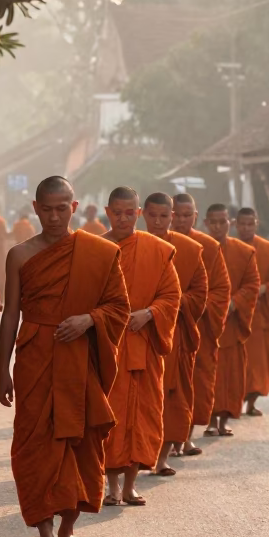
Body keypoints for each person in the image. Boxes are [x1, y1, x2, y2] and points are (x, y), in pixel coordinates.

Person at [0, 175, 129, 537]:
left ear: (73, 208)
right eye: (46, 209)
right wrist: (3, 368)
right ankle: (45, 534)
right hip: (35, 356)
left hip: (79, 359)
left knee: (80, 441)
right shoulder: (20, 255)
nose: (54, 217)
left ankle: (68, 530)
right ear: (35, 209)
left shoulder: (98, 253)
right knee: (36, 444)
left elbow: (118, 306)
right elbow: (11, 314)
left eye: (62, 209)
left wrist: (89, 320)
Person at [101, 187, 181, 505]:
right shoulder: (95, 247)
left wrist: (149, 314)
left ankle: (131, 485)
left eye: (128, 212)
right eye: (116, 212)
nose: (122, 218)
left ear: (138, 214)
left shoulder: (157, 250)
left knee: (142, 414)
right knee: (110, 415)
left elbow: (171, 295)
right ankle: (111, 487)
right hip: (107, 347)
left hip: (144, 344)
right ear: (108, 212)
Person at [143, 193, 208, 476]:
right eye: (153, 216)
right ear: (143, 215)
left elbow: (200, 293)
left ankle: (162, 458)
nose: (158, 222)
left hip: (174, 332)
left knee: (173, 395)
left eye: (164, 216)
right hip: (137, 331)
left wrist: (173, 301)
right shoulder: (128, 245)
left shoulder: (190, 250)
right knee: (138, 396)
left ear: (172, 217)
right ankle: (136, 455)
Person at [170, 193, 231, 454]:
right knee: (167, 383)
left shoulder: (208, 246)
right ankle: (166, 439)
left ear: (195, 217)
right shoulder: (158, 243)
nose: (182, 220)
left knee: (196, 380)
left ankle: (186, 436)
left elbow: (221, 289)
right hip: (165, 324)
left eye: (187, 216)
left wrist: (196, 304)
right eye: (177, 215)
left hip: (197, 325)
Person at [203, 203, 260, 437]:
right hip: (205, 321)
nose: (218, 226)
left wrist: (234, 302)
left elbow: (252, 284)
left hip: (232, 323)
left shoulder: (245, 253)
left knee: (230, 373)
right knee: (207, 373)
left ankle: (224, 419)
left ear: (230, 223)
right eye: (213, 222)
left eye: (222, 221)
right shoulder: (198, 248)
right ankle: (209, 419)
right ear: (206, 223)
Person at [237, 207, 269, 415]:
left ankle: (251, 403)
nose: (247, 228)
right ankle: (232, 402)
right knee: (235, 361)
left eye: (251, 224)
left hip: (258, 316)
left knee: (257, 362)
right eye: (243, 224)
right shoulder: (226, 247)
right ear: (236, 224)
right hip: (235, 314)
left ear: (256, 223)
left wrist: (264, 288)